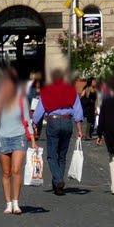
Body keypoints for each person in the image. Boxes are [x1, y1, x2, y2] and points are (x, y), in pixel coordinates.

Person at [32, 68, 84, 196]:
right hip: (67, 122)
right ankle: (58, 185)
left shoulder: (47, 91)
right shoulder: (71, 90)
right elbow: (78, 110)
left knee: (51, 155)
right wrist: (79, 129)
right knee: (62, 154)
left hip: (53, 122)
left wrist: (34, 123)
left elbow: (40, 110)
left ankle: (59, 179)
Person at [0, 69, 36, 215]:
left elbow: (28, 120)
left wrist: (33, 140)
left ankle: (16, 203)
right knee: (6, 172)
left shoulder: (21, 98)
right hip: (2, 138)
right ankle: (8, 203)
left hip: (19, 136)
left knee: (16, 170)